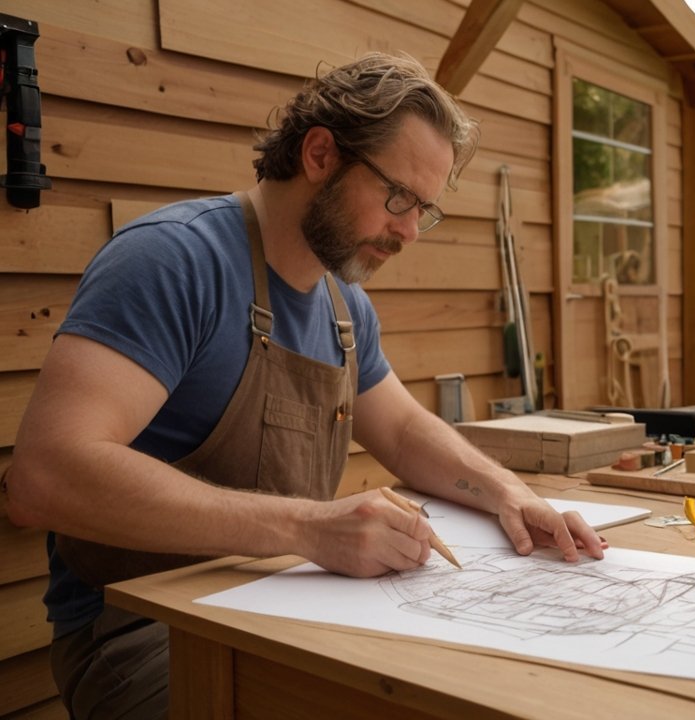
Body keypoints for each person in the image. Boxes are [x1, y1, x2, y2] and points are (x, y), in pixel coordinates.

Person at [3, 52, 606, 719]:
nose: (409, 231)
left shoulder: (344, 305)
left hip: (284, 606)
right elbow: (44, 477)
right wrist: (310, 528)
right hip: (143, 635)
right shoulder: (174, 261)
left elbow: (405, 432)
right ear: (320, 154)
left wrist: (509, 494)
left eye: (424, 210)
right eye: (399, 198)